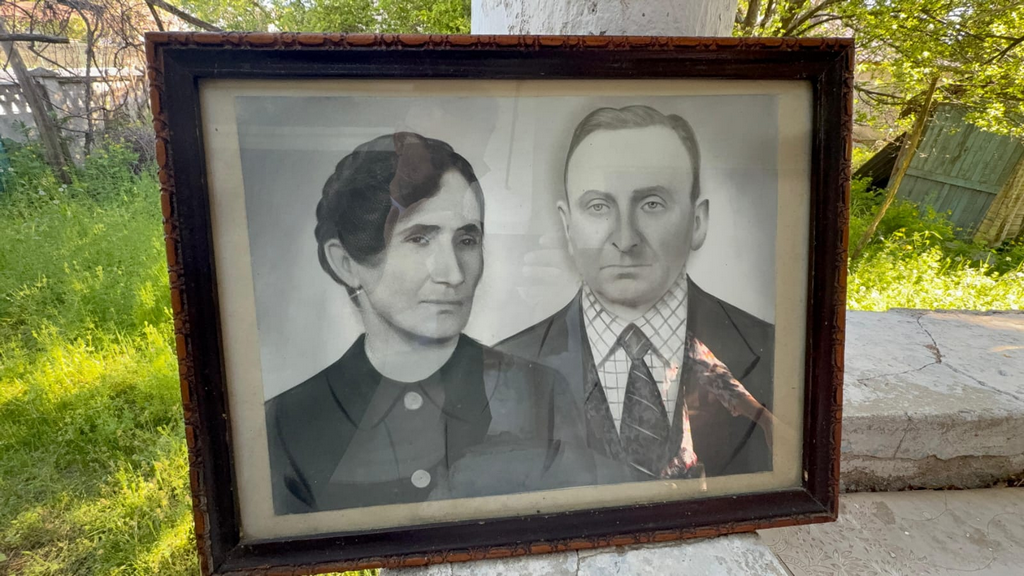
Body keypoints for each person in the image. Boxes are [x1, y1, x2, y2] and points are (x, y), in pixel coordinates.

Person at [266, 132, 590, 515]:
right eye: (419, 239)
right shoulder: (285, 423)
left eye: (467, 240)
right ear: (346, 263)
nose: (453, 274)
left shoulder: (540, 392)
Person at [498, 105, 777, 483]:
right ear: (567, 226)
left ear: (697, 221)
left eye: (652, 204)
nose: (625, 238)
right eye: (598, 206)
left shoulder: (776, 354)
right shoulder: (504, 369)